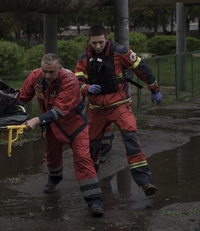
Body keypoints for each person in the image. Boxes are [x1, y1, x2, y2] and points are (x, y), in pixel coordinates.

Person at [74, 25, 163, 196]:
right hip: (96, 109)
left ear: (107, 38)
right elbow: (76, 81)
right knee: (91, 147)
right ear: (89, 41)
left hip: (119, 105)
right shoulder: (84, 58)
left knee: (130, 138)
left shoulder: (120, 52)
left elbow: (142, 68)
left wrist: (154, 89)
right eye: (94, 43)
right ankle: (91, 182)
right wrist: (86, 88)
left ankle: (145, 182)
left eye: (101, 42)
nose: (98, 46)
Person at [19, 53, 104, 217]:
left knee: (82, 158)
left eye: (51, 72)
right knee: (51, 158)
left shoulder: (69, 80)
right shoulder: (35, 77)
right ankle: (54, 178)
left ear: (60, 68)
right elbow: (22, 98)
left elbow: (60, 110)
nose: (47, 75)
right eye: (45, 71)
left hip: (75, 125)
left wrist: (36, 120)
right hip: (52, 125)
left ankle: (95, 201)